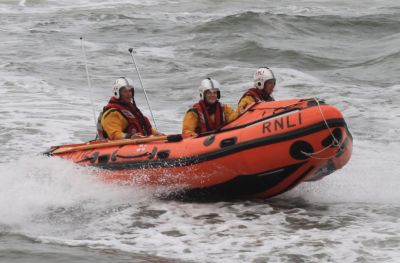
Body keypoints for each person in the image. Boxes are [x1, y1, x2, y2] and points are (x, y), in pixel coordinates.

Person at [97, 77, 161, 140]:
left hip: (140, 142)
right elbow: (115, 134)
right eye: (125, 91)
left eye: (130, 91)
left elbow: (145, 128)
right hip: (121, 146)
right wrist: (130, 136)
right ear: (117, 93)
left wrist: (159, 135)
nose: (129, 94)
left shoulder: (132, 110)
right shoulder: (112, 113)